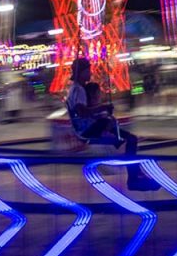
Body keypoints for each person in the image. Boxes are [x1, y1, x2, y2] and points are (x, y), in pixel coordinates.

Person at [66, 58, 159, 191]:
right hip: (87, 129)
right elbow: (82, 112)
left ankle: (134, 170)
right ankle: (134, 178)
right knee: (130, 139)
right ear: (80, 72)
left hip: (87, 127)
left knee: (125, 136)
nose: (90, 72)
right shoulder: (78, 90)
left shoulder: (76, 89)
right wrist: (102, 108)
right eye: (88, 70)